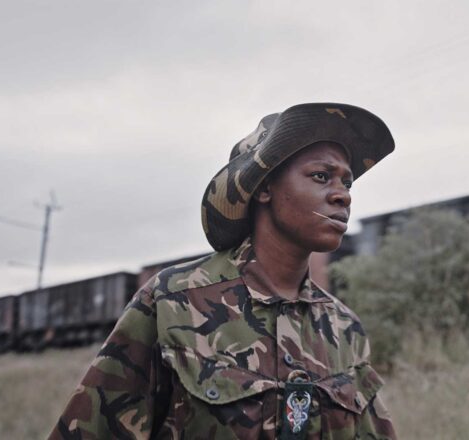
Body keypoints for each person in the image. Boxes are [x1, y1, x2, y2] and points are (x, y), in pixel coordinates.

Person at [50, 103, 397, 439]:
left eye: (347, 183)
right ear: (264, 187)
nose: (343, 196)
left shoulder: (344, 329)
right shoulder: (174, 301)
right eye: (321, 176)